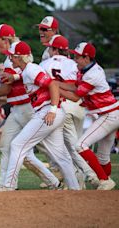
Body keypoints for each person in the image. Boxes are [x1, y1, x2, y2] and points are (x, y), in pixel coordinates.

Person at [0, 24, 60, 192]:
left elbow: (8, 87)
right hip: (18, 108)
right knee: (9, 146)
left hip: (28, 109)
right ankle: (6, 184)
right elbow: (13, 87)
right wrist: (3, 97)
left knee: (40, 149)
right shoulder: (10, 58)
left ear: (6, 39)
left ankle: (69, 176)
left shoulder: (15, 57)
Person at [0, 41, 80, 191]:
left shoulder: (31, 70)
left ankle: (8, 186)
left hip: (47, 112)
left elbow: (53, 85)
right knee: (61, 156)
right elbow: (23, 75)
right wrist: (14, 78)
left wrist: (52, 110)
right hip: (52, 112)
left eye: (13, 57)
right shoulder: (27, 70)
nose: (10, 60)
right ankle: (75, 189)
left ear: (20, 57)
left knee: (17, 145)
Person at [39, 35, 98, 188]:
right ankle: (81, 179)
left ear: (53, 49)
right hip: (78, 106)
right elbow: (79, 87)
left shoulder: (44, 63)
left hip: (61, 105)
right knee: (77, 145)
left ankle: (90, 175)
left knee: (71, 147)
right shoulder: (73, 64)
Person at [59, 42, 118, 190]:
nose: (75, 59)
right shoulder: (85, 70)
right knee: (103, 156)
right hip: (110, 114)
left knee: (80, 145)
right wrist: (56, 83)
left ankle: (104, 180)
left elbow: (75, 95)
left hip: (109, 115)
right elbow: (74, 86)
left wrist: (54, 88)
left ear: (87, 58)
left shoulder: (93, 74)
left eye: (77, 57)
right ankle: (106, 184)